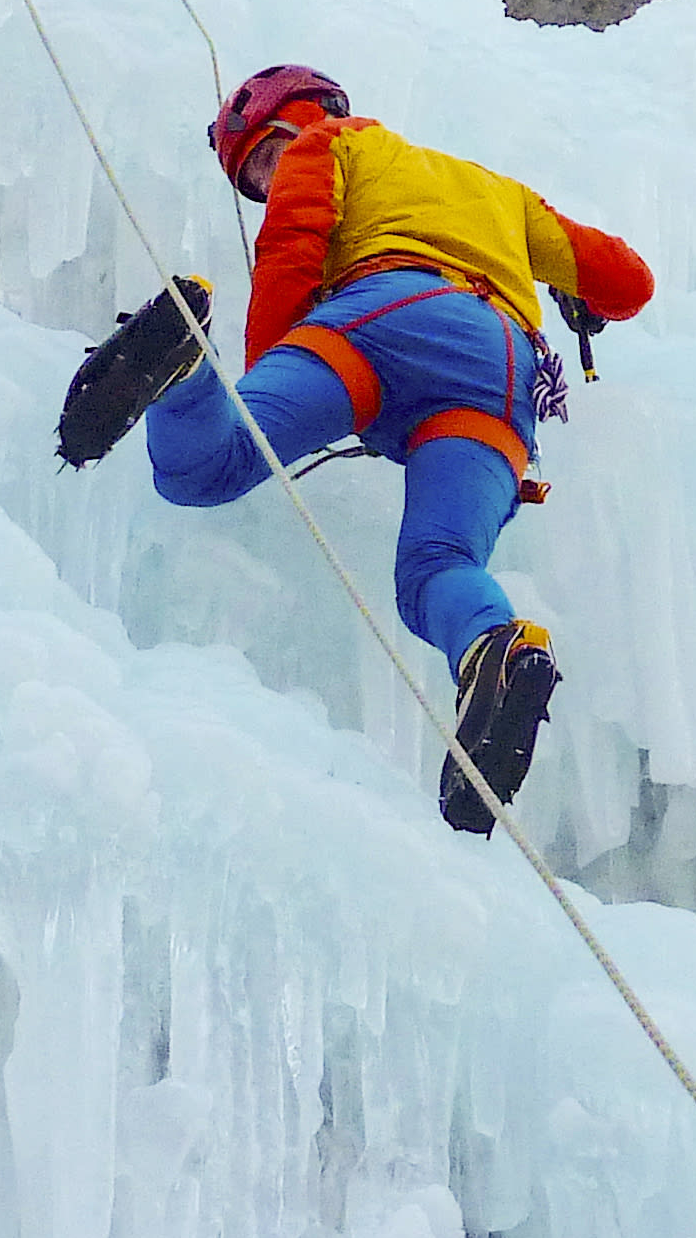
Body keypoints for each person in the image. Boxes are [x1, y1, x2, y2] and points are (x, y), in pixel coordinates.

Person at [53, 63, 654, 830]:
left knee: (207, 464)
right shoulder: (495, 190)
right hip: (499, 369)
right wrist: (574, 287)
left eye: (264, 163)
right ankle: (496, 650)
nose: (268, 186)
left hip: (382, 321)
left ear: (290, 123)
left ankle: (184, 366)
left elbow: (293, 245)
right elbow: (628, 282)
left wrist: (271, 367)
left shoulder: (328, 145)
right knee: (438, 568)